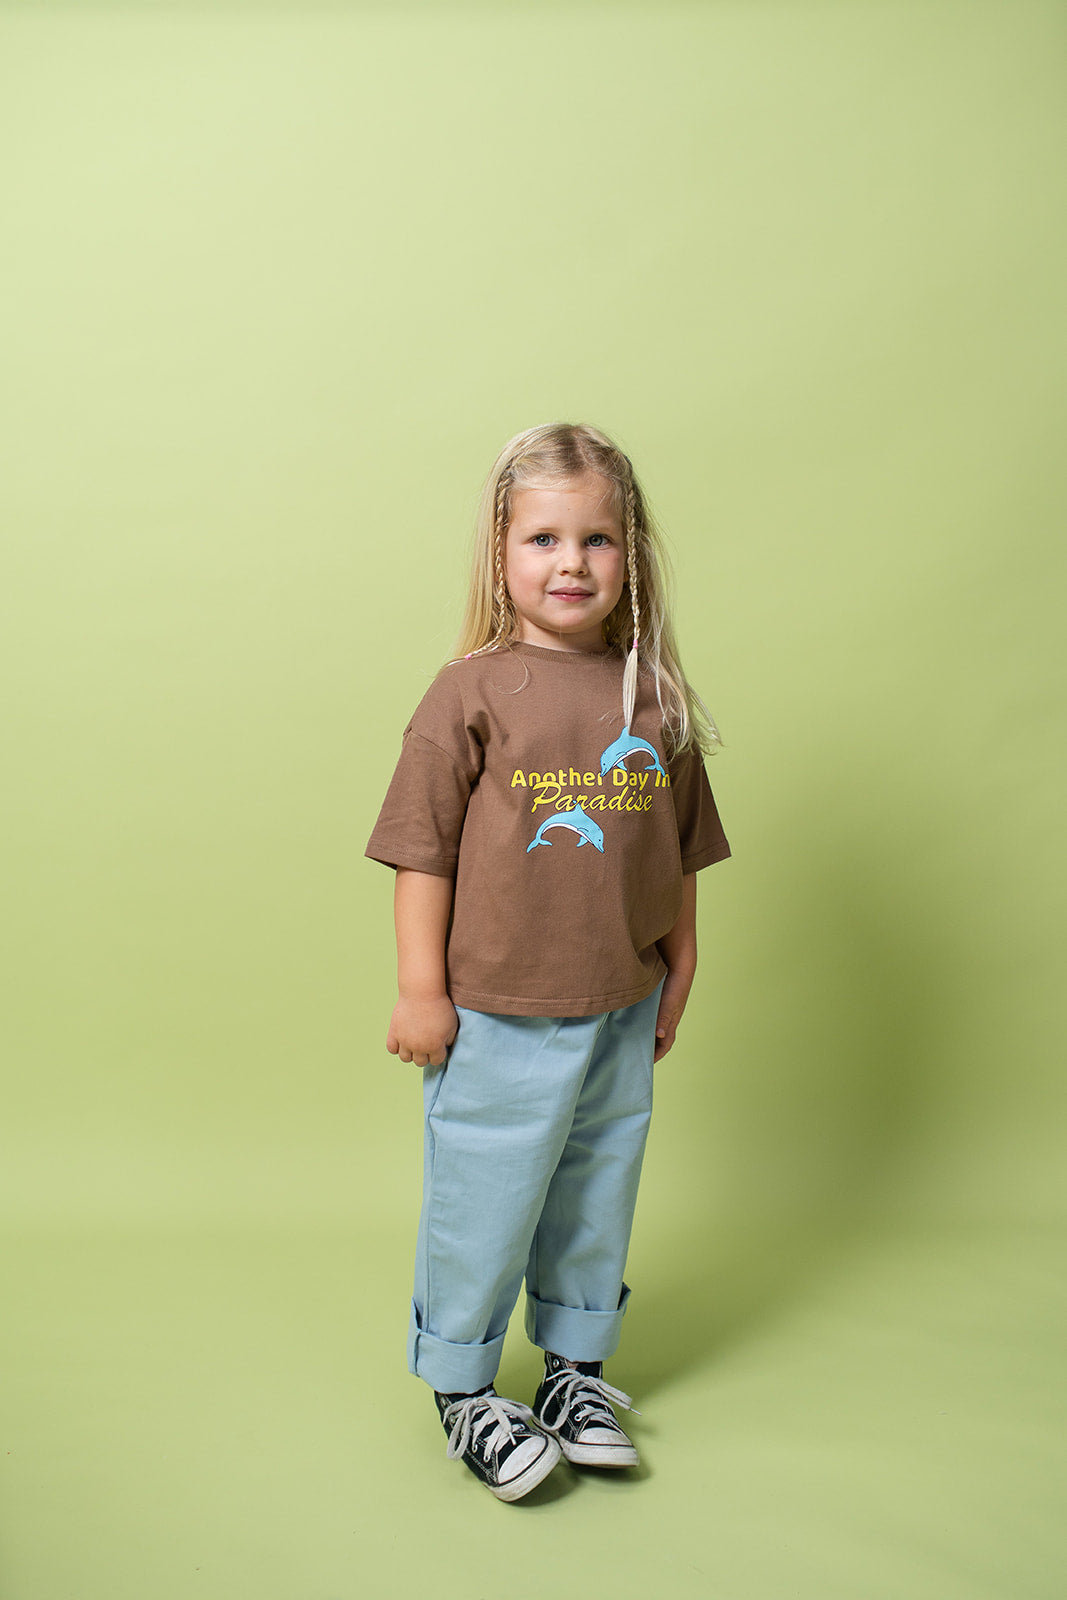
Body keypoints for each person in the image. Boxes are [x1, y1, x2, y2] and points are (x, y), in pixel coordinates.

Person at [364, 421, 731, 1501]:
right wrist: (420, 990)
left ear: (631, 555)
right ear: (500, 553)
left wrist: (679, 965)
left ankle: (573, 1367)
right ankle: (465, 1387)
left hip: (619, 1000)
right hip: (495, 1013)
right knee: (484, 1197)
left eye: (596, 540)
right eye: (542, 539)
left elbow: (681, 853)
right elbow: (419, 851)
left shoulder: (650, 698)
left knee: (595, 1187)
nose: (570, 562)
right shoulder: (467, 694)